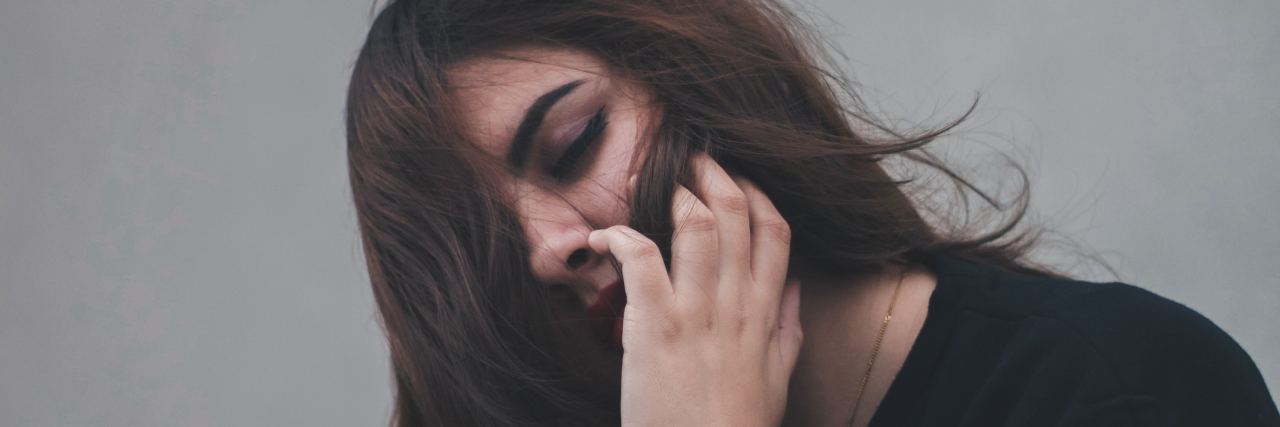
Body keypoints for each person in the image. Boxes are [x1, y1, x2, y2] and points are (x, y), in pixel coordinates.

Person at [343, 0, 1280, 425]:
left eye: (576, 140)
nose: (552, 247)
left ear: (695, 73)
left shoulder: (1119, 387)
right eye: (481, 246)